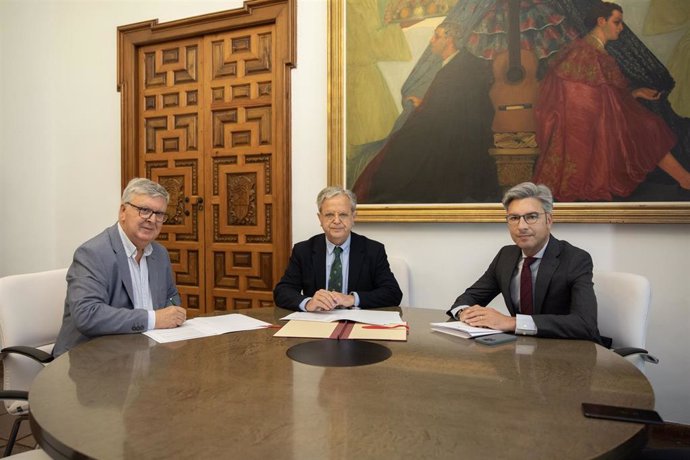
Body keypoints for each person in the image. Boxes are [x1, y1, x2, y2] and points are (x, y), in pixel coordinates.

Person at [533, 1, 690, 201]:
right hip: (587, 124)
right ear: (601, 21)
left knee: (649, 125)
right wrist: (616, 108)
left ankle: (685, 178)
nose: (621, 28)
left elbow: (606, 92)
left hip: (605, 116)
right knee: (648, 127)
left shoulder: (597, 50)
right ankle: (685, 179)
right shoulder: (584, 52)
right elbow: (581, 98)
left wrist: (636, 93)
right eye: (617, 22)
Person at [351, 21, 498, 204]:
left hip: (457, 138)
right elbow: (447, 102)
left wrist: (425, 108)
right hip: (449, 129)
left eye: (436, 36)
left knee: (401, 148)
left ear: (449, 39)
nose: (431, 41)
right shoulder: (457, 65)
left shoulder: (459, 68)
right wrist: (424, 103)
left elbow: (458, 109)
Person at [447, 182, 601, 342]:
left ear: (549, 220)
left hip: (568, 353)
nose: (521, 226)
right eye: (514, 218)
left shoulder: (574, 259)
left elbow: (585, 324)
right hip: (520, 349)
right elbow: (468, 298)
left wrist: (511, 322)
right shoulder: (506, 256)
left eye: (531, 217)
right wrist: (464, 312)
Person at [53, 178, 186, 356]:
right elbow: (87, 314)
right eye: (144, 210)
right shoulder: (93, 253)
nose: (152, 220)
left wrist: (174, 312)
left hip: (142, 355)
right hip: (91, 361)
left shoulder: (160, 254)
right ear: (123, 211)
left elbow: (171, 297)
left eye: (159, 214)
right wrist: (154, 319)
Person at [273, 186, 402, 311]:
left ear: (353, 217)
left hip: (357, 325)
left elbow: (393, 293)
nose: (336, 221)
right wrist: (308, 303)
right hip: (317, 323)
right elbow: (282, 291)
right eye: (329, 215)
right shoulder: (303, 250)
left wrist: (352, 299)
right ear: (320, 218)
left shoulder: (373, 250)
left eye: (343, 215)